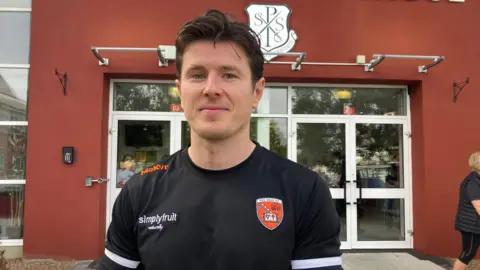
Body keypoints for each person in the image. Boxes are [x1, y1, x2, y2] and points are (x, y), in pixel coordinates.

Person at [99, 9, 342, 270]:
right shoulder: (140, 191)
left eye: (229, 75)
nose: (211, 88)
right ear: (180, 91)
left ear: (257, 92)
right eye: (197, 75)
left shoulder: (304, 191)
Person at [453, 152, 480, 270]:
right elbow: (479, 206)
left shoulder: (477, 178)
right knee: (468, 254)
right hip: (471, 225)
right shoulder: (472, 183)